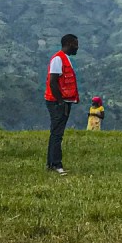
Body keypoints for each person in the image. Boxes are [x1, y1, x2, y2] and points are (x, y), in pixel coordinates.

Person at [45, 34, 80, 175]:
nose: (77, 47)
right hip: (57, 102)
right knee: (57, 134)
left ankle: (51, 164)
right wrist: (60, 102)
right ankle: (56, 164)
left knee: (56, 133)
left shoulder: (65, 59)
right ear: (70, 43)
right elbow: (53, 82)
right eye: (76, 44)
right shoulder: (58, 59)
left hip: (62, 101)